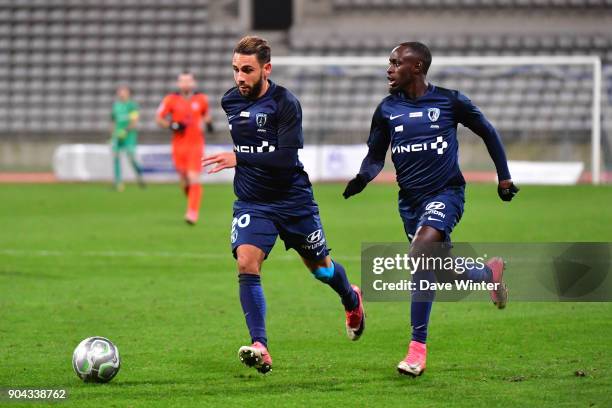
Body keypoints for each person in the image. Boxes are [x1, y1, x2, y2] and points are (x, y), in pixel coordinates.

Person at [343, 42, 519, 377]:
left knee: (420, 254)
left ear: (418, 67)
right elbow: (376, 155)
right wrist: (363, 177)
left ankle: (416, 349)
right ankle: (488, 274)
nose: (389, 69)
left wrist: (504, 177)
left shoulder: (450, 101)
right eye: (389, 62)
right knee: (440, 268)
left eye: (396, 63)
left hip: (446, 193)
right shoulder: (386, 110)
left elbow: (488, 132)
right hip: (410, 203)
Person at [202, 36, 365, 374]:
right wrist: (244, 163)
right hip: (252, 202)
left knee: (321, 269)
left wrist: (239, 157)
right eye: (235, 70)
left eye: (247, 70)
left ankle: (351, 298)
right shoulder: (229, 102)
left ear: (266, 69)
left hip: (293, 200)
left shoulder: (285, 103)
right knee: (247, 262)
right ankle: (260, 345)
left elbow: (286, 159)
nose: (240, 77)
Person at [156, 72, 213, 225]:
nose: (186, 84)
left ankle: (192, 212)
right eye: (183, 81)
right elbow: (159, 118)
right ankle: (194, 199)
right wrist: (171, 125)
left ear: (193, 83)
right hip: (179, 145)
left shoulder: (201, 99)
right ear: (178, 84)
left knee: (193, 177)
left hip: (196, 144)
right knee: (184, 180)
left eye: (188, 81)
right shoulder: (170, 100)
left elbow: (206, 115)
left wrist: (208, 124)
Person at [110, 85, 144, 191]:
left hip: (129, 135)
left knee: (131, 157)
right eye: (120, 91)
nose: (121, 93)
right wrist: (113, 135)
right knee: (115, 156)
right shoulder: (116, 106)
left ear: (128, 93)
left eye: (123, 91)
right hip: (117, 135)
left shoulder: (132, 106)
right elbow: (113, 121)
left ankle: (139, 175)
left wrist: (125, 131)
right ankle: (118, 183)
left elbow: (134, 121)